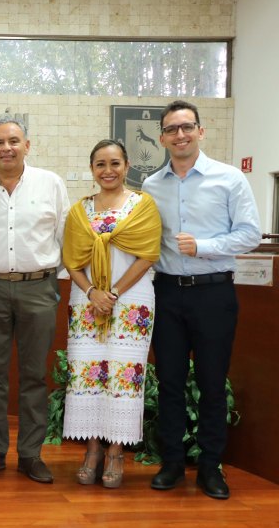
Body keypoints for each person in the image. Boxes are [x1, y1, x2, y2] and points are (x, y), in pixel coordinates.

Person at [142, 100, 260, 500]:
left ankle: (211, 466)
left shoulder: (229, 179)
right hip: (167, 293)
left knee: (211, 384)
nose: (180, 135)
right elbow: (144, 242)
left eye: (187, 127)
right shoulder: (151, 185)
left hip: (214, 292)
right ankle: (172, 463)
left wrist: (204, 246)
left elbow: (250, 234)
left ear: (200, 131)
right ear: (162, 137)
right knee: (171, 383)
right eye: (172, 129)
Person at [0, 115, 69, 484]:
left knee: (34, 375)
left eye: (14, 141)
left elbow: (65, 237)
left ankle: (30, 454)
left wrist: (56, 279)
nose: (7, 147)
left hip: (38, 287)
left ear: (27, 145)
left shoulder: (50, 184)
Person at [61, 140, 161, 489]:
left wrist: (114, 292)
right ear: (92, 169)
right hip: (87, 300)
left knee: (122, 377)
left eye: (115, 163)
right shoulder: (79, 211)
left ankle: (116, 451)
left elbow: (148, 254)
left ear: (127, 165)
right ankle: (91, 449)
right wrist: (92, 292)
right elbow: (71, 260)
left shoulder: (142, 205)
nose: (108, 170)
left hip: (131, 301)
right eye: (100, 164)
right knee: (86, 375)